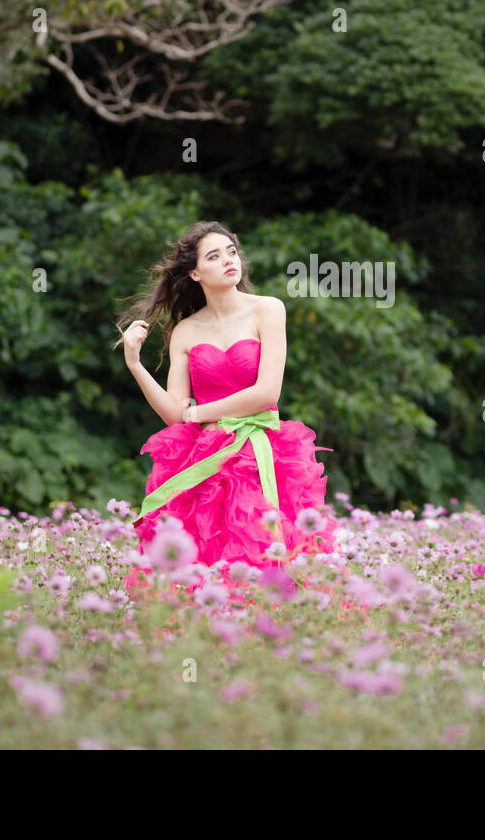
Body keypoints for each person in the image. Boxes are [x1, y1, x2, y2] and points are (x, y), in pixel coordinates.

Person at [112, 220, 340, 583]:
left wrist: (200, 413)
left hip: (262, 452)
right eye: (214, 257)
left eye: (231, 252)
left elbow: (267, 393)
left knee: (265, 554)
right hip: (205, 459)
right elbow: (175, 414)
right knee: (205, 561)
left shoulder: (268, 309)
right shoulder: (186, 331)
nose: (229, 260)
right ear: (195, 273)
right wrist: (135, 364)